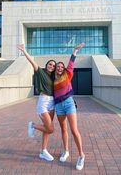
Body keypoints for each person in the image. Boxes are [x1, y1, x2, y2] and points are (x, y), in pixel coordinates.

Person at [17, 44, 56, 162]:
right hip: (43, 102)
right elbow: (31, 62)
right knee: (50, 129)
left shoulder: (54, 77)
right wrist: (24, 51)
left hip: (52, 103)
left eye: (53, 65)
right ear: (46, 65)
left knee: (46, 129)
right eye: (50, 64)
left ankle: (43, 151)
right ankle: (32, 125)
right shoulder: (40, 72)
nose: (52, 66)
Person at [54, 43, 85, 171]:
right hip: (58, 106)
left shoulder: (68, 74)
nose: (60, 68)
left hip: (69, 103)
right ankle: (66, 150)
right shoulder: (52, 79)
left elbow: (71, 62)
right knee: (63, 129)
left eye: (62, 66)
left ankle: (81, 155)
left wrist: (75, 50)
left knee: (74, 130)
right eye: (58, 66)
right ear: (56, 68)